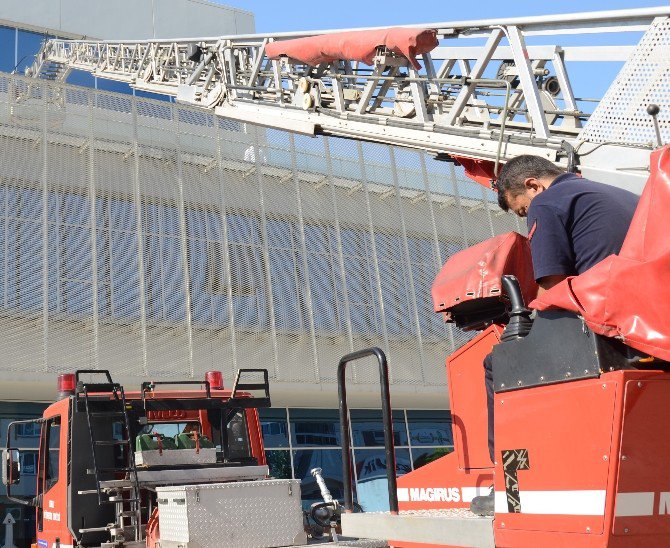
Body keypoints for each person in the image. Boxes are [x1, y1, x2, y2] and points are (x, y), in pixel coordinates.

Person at [470, 155, 639, 516]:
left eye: (521, 208)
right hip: (647, 323)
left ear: (533, 185)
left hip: (607, 326)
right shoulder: (621, 194)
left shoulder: (548, 203)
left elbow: (553, 287)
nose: (526, 214)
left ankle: (507, 485)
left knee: (498, 362)